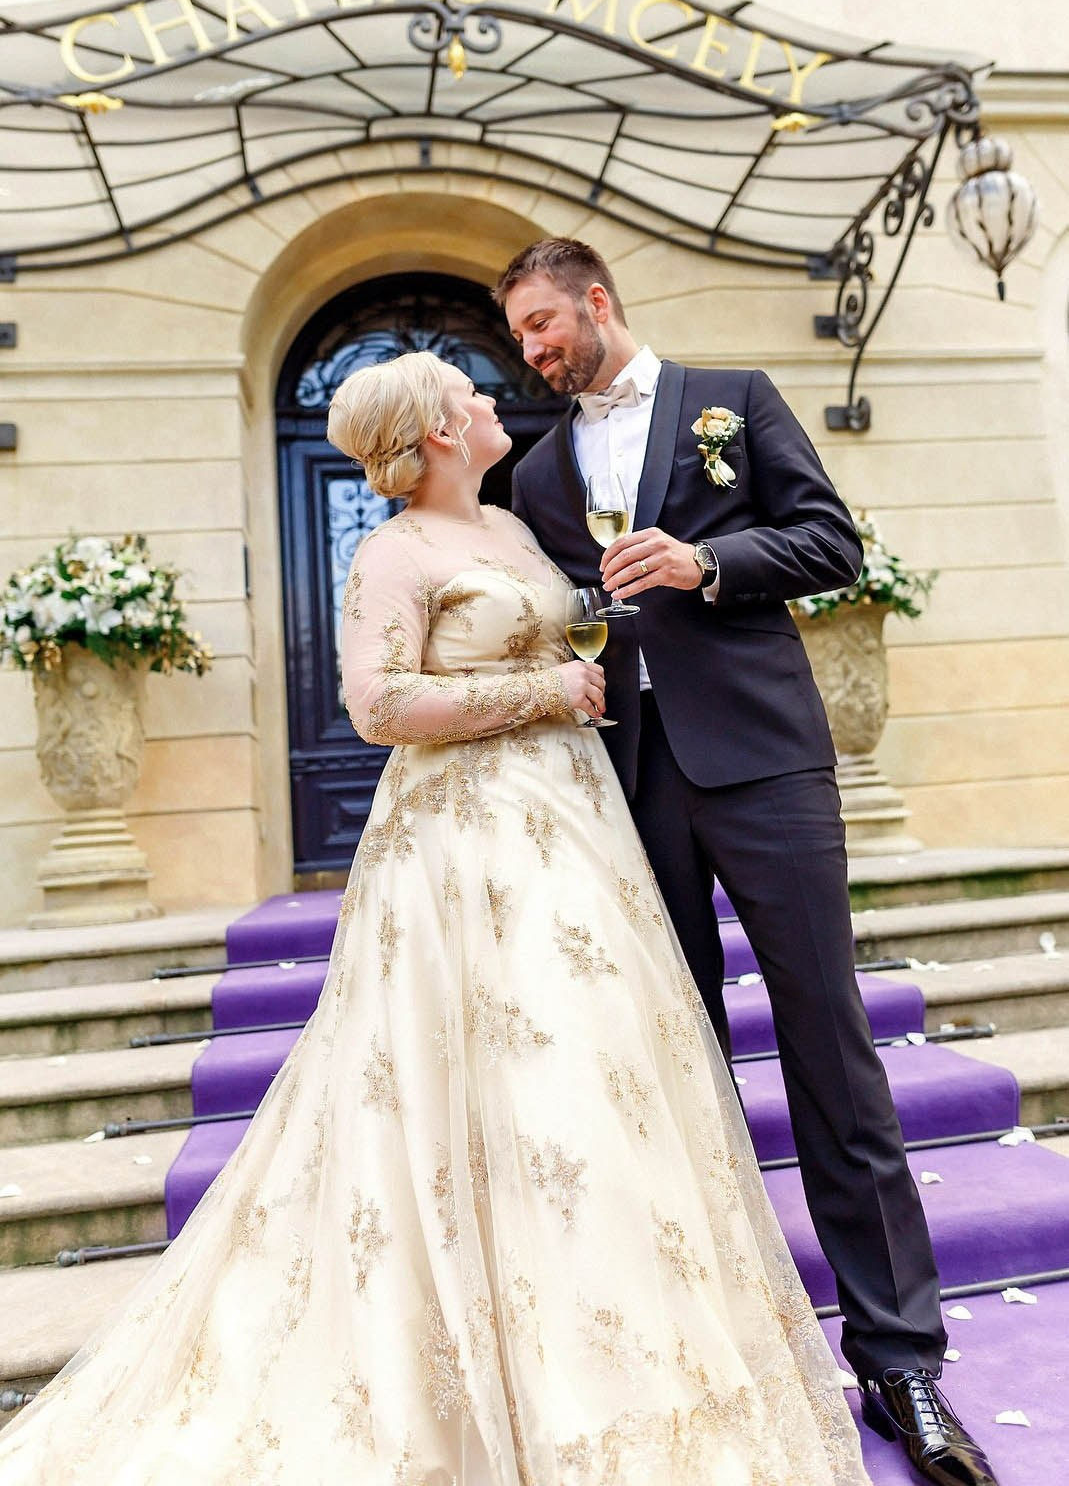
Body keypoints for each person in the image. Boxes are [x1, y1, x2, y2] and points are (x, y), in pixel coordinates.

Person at [0, 351, 869, 1486]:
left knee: (590, 1079)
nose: (488, 398)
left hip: (578, 829)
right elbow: (374, 703)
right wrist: (543, 692)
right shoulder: (391, 551)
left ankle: (615, 1341)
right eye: (464, 394)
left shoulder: (516, 530)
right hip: (464, 846)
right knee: (490, 1078)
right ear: (434, 430)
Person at [496, 238, 998, 1486]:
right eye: (519, 337)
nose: (535, 349)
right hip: (630, 781)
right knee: (678, 1061)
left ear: (598, 301)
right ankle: (727, 1342)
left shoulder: (736, 397)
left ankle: (902, 1364)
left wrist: (705, 562)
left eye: (545, 322)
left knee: (828, 1043)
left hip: (766, 766)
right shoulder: (540, 468)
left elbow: (832, 543)